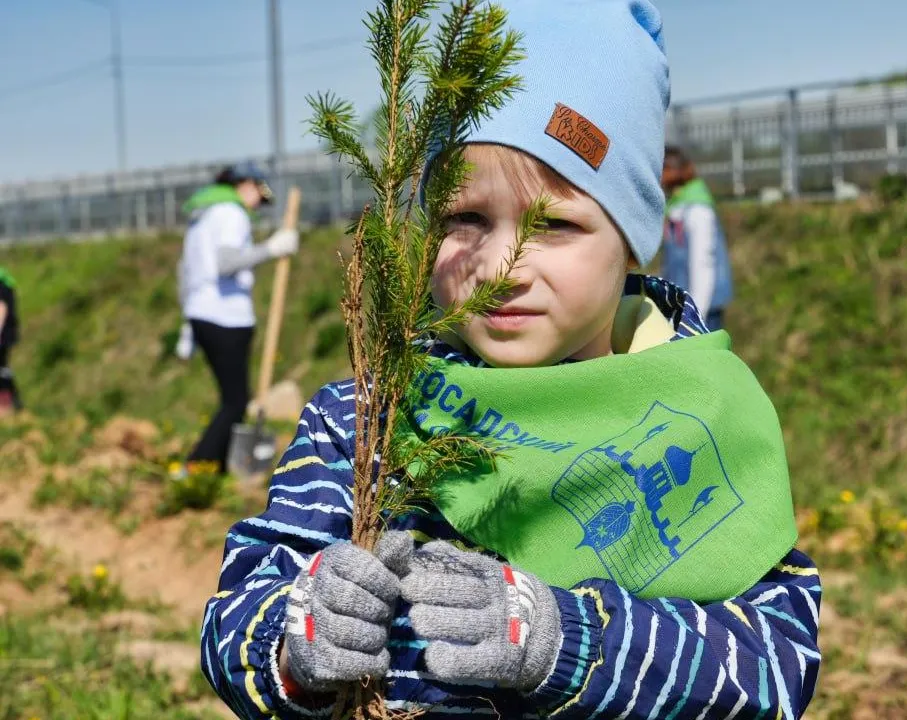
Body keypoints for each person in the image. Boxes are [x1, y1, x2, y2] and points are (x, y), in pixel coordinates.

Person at [200, 3, 819, 719]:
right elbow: (236, 613)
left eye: (553, 223)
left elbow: (775, 671)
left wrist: (568, 641)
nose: (500, 267)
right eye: (464, 218)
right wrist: (292, 643)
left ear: (632, 240)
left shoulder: (698, 418)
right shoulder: (366, 420)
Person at [175, 161, 298, 476]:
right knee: (235, 402)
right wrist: (272, 248)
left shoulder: (203, 215)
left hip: (203, 314)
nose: (258, 204)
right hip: (226, 318)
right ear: (245, 185)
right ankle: (197, 467)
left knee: (232, 399)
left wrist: (188, 323)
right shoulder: (232, 214)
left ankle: (215, 468)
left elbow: (185, 271)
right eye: (259, 195)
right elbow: (227, 263)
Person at [661, 145, 734, 331]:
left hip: (701, 307)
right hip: (683, 305)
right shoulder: (677, 206)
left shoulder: (697, 210)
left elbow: (703, 264)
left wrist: (694, 316)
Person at [0, 266, 20, 414]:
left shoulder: (1, 285)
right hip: (7, 334)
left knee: (2, 369)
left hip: (2, 335)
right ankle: (12, 405)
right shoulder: (6, 283)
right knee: (3, 368)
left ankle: (6, 407)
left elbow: (1, 309)